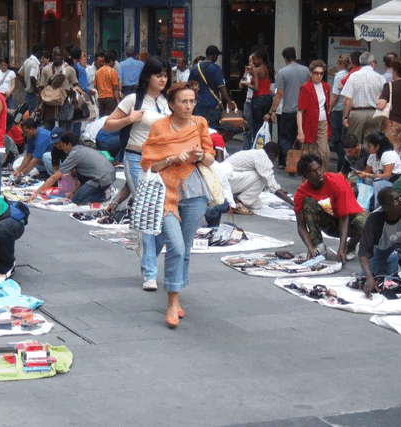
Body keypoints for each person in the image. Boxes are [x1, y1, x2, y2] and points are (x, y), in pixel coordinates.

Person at [139, 81, 214, 327]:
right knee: (177, 248)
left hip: (194, 191)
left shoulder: (200, 123)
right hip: (165, 193)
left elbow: (211, 156)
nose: (188, 106)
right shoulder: (159, 126)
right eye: (183, 101)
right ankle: (171, 302)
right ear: (171, 104)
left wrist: (203, 157)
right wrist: (171, 159)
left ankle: (177, 295)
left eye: (192, 101)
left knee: (187, 247)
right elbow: (149, 164)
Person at [103, 57, 171, 291]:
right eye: (158, 74)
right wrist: (129, 119)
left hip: (162, 162)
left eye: (165, 75)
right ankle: (149, 272)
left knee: (162, 215)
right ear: (147, 77)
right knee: (148, 212)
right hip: (136, 158)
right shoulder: (134, 99)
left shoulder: (165, 102)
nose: (163, 79)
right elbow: (107, 125)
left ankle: (146, 251)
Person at [294, 154, 367, 263]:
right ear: (306, 175)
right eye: (313, 171)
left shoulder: (337, 181)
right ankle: (318, 245)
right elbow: (301, 226)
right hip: (329, 224)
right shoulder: (301, 193)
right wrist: (310, 246)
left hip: (348, 221)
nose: (319, 173)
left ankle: (350, 247)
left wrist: (341, 248)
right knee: (308, 202)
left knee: (364, 222)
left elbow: (344, 217)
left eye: (319, 168)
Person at [28, 133, 115, 204]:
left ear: (69, 145)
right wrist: (74, 192)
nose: (61, 148)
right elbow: (81, 178)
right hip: (109, 174)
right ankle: (101, 190)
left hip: (101, 178)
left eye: (62, 145)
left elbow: (55, 177)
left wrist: (37, 192)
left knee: (77, 200)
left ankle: (104, 195)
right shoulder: (83, 149)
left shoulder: (74, 154)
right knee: (76, 186)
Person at [264, 47, 309, 167]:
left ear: (285, 58)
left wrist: (273, 110)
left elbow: (279, 94)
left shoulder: (283, 72)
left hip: (288, 109)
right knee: (299, 136)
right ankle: (299, 162)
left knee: (285, 137)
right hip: (303, 110)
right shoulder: (306, 71)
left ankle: (288, 161)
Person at [225, 141, 294, 214]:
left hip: (226, 180)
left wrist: (281, 190)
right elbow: (273, 186)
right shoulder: (263, 158)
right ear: (273, 155)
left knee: (257, 205)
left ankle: (238, 197)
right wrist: (294, 204)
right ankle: (239, 203)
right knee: (262, 177)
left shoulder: (256, 153)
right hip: (227, 181)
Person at [341, 52, 386, 151]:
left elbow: (347, 99)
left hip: (357, 112)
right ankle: (369, 164)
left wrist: (345, 116)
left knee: (353, 142)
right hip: (374, 113)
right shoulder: (380, 78)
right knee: (371, 144)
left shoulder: (354, 76)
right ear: (372, 63)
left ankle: (355, 163)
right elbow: (385, 98)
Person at [378, 57, 401, 165]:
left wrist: (377, 99)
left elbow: (381, 105)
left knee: (389, 153)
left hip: (391, 124)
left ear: (395, 71)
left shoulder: (389, 86)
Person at [188, 45, 236, 128]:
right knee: (212, 128)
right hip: (213, 105)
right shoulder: (216, 69)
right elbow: (222, 87)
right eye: (217, 55)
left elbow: (190, 86)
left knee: (198, 127)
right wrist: (229, 101)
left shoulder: (196, 68)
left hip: (198, 104)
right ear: (214, 56)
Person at [297, 59, 331, 169]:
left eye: (321, 73)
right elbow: (300, 111)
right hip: (309, 123)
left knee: (324, 152)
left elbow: (326, 105)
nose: (319, 76)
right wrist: (300, 131)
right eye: (316, 73)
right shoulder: (306, 88)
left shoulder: (326, 87)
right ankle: (307, 178)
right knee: (308, 153)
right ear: (311, 73)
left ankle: (321, 174)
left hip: (322, 122)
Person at [38, 46, 81, 133]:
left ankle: (62, 144)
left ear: (63, 56)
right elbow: (41, 87)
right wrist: (40, 104)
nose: (57, 57)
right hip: (49, 103)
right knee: (48, 129)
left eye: (59, 55)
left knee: (64, 130)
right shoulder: (46, 70)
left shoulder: (69, 70)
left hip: (64, 102)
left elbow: (76, 85)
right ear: (52, 56)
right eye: (55, 55)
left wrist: (72, 93)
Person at [330, 53, 351, 171]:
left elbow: (335, 96)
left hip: (338, 109)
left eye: (338, 63)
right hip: (347, 109)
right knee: (344, 137)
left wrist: (329, 108)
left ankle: (341, 161)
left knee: (336, 138)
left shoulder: (339, 76)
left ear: (341, 64)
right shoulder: (350, 74)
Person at [248, 51, 274, 144]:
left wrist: (247, 84)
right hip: (267, 98)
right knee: (267, 124)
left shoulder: (257, 70)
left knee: (257, 126)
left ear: (260, 59)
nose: (253, 62)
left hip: (258, 98)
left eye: (254, 59)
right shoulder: (267, 68)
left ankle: (258, 146)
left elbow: (256, 88)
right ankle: (267, 144)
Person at [95, 50, 120, 116]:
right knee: (110, 119)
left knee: (102, 119)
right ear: (111, 61)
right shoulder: (113, 72)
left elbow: (96, 86)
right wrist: (118, 102)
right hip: (110, 99)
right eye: (114, 61)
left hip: (100, 99)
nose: (114, 63)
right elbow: (115, 89)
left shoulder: (98, 72)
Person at [240, 54, 255, 150]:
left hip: (257, 101)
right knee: (247, 128)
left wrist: (248, 84)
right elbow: (241, 85)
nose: (251, 63)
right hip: (248, 101)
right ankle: (245, 150)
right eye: (250, 61)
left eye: (253, 61)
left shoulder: (260, 72)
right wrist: (246, 73)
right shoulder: (248, 73)